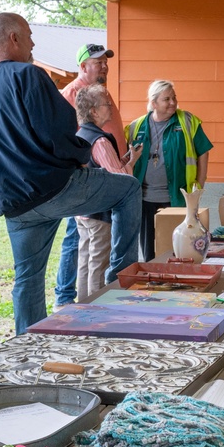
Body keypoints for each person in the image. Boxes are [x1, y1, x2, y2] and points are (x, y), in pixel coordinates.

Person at [0, 13, 142, 334]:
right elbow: (58, 130)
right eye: (30, 35)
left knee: (27, 280)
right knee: (128, 188)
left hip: (13, 204)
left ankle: (26, 346)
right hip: (52, 187)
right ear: (14, 38)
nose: (34, 43)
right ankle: (120, 279)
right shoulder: (29, 75)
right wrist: (82, 157)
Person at [54, 43, 128, 307]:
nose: (105, 66)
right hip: (90, 187)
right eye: (98, 62)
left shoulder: (100, 92)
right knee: (82, 245)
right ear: (83, 66)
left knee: (86, 248)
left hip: (106, 177)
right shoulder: (71, 94)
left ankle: (81, 303)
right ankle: (66, 298)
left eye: (106, 62)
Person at [126, 80, 212, 261]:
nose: (173, 102)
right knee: (149, 250)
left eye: (174, 97)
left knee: (178, 250)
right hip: (144, 199)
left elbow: (203, 151)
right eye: (167, 99)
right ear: (154, 102)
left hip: (177, 198)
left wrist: (200, 184)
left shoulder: (188, 121)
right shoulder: (136, 126)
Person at [73, 84, 143, 300]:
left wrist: (126, 160)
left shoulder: (81, 134)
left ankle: (82, 304)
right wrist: (132, 164)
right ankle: (95, 306)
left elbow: (104, 167)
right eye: (106, 104)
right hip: (100, 212)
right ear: (94, 111)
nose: (111, 107)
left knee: (84, 259)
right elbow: (119, 180)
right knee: (98, 262)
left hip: (81, 210)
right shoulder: (101, 140)